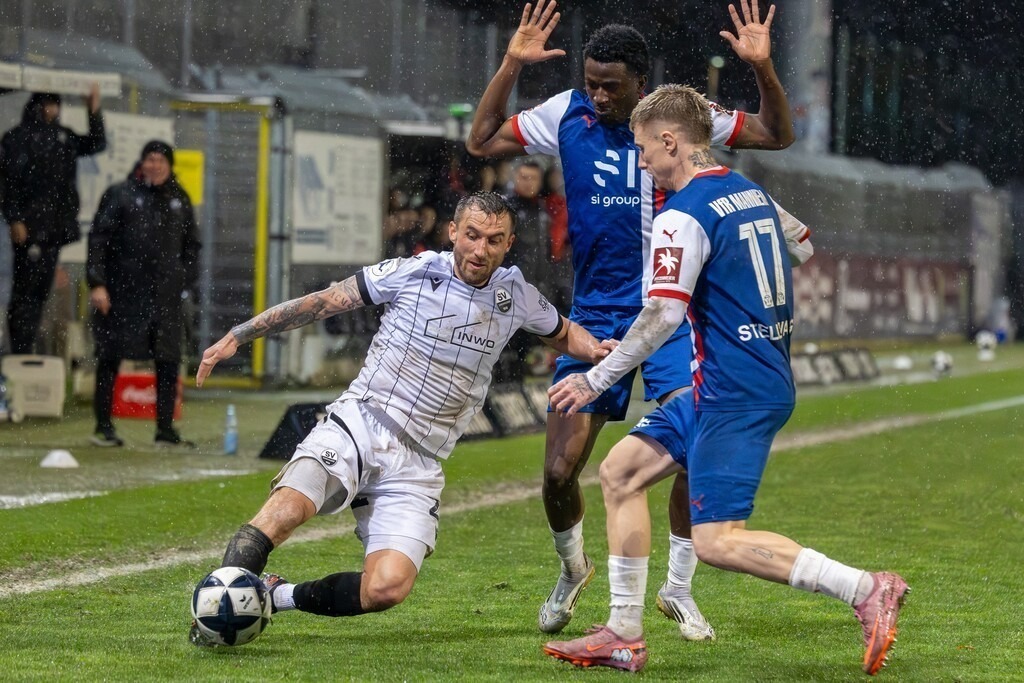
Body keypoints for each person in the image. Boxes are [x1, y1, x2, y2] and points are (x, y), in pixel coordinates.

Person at [467, 0, 804, 639]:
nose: (595, 95)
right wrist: (512, 61)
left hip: (674, 318)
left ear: (640, 85)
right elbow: (480, 139)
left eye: (610, 87)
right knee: (559, 470)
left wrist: (762, 67)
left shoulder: (683, 119)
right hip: (596, 314)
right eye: (590, 82)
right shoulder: (565, 113)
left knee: (688, 449)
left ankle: (677, 588)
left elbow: (775, 132)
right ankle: (572, 570)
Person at [543, 84, 908, 675]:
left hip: (729, 394)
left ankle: (866, 588)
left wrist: (595, 379)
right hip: (743, 377)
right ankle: (623, 633)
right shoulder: (745, 190)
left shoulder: (680, 215)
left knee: (716, 542)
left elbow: (661, 314)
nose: (640, 162)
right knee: (621, 473)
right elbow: (802, 245)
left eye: (643, 149)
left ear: (670, 142)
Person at [189, 192, 613, 646]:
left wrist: (601, 354)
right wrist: (241, 332)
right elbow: (327, 301)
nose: (479, 249)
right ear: (453, 232)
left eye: (493, 240)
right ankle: (209, 619)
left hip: (420, 461)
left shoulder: (516, 295)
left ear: (508, 244)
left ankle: (276, 597)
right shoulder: (412, 271)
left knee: (386, 587)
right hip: (362, 421)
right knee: (284, 513)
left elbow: (565, 332)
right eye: (471, 236)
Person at [86, 141, 201, 447]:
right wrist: (97, 282)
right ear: (141, 162)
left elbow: (192, 247)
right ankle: (103, 427)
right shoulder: (121, 194)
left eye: (161, 160)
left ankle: (165, 430)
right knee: (110, 357)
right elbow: (98, 238)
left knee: (168, 360)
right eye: (150, 159)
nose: (155, 165)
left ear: (170, 165)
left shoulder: (179, 199)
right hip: (123, 293)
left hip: (165, 297)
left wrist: (184, 283)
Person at [0, 86, 106, 354]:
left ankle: (26, 350)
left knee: (39, 294)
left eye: (55, 104)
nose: (52, 110)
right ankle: (19, 351)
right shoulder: (16, 139)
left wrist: (93, 109)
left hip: (54, 230)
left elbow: (96, 143)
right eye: (47, 104)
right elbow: (8, 184)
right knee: (25, 295)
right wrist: (15, 218)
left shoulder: (63, 137)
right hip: (30, 229)